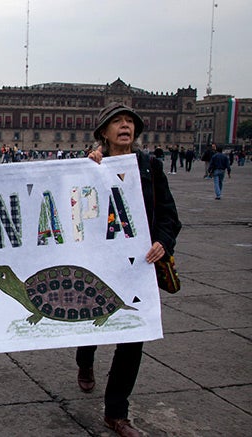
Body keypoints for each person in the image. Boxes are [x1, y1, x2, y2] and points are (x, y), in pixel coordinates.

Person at [80, 102, 181, 437]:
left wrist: (163, 242)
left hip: (139, 266)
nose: (125, 126)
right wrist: (88, 168)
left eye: (130, 122)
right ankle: (85, 361)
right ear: (103, 132)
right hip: (99, 264)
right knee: (92, 328)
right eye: (117, 121)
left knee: (133, 337)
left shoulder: (151, 166)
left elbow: (169, 215)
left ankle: (116, 413)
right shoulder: (89, 166)